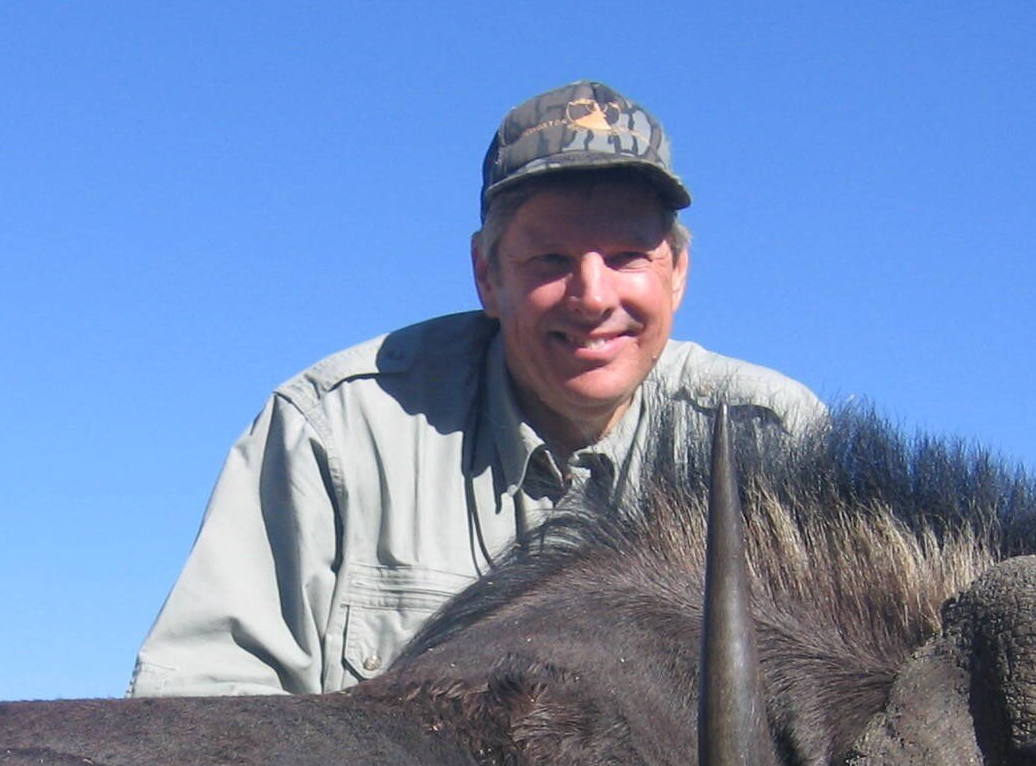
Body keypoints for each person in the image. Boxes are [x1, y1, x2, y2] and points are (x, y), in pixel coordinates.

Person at [129, 81, 825, 698]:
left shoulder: (783, 446)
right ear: (486, 275)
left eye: (626, 257)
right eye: (550, 258)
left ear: (677, 272)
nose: (592, 295)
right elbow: (200, 703)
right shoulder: (333, 428)